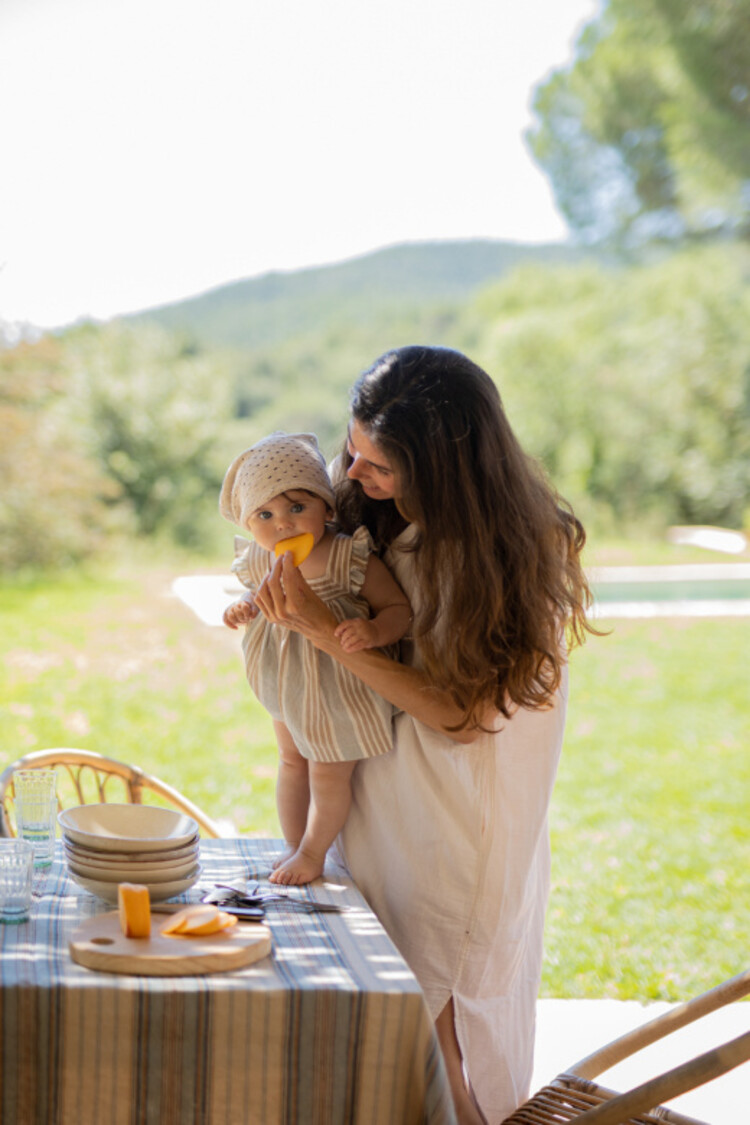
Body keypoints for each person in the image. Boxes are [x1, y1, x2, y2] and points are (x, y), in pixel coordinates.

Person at [248, 347, 596, 1124]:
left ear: (444, 466)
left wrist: (323, 626)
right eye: (352, 451)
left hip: (456, 823)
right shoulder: (392, 518)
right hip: (389, 800)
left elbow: (459, 716)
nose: (354, 475)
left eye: (379, 465)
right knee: (399, 1034)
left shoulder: (513, 556)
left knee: (440, 1042)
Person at [219, 431, 412, 886]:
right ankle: (291, 845)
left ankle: (313, 851)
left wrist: (372, 631)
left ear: (327, 507)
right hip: (287, 685)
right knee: (291, 761)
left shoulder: (348, 556)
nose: (283, 523)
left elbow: (397, 609)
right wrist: (244, 607)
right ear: (250, 525)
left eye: (297, 507)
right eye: (265, 514)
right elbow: (257, 598)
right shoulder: (259, 560)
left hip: (338, 685)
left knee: (328, 773)